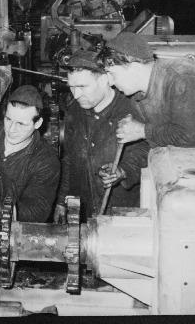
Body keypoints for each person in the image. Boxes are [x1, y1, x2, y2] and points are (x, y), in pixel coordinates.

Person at [0, 84, 60, 309]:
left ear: (38, 123)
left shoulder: (45, 161)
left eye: (21, 123)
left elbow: (38, 213)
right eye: (9, 119)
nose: (11, 129)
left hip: (5, 247)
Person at [54, 49, 150, 223]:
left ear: (105, 79)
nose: (76, 95)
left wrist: (123, 170)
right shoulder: (74, 112)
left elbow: (145, 151)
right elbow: (69, 160)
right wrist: (62, 201)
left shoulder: (131, 111)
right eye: (72, 88)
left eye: (82, 87)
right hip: (84, 211)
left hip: (121, 213)